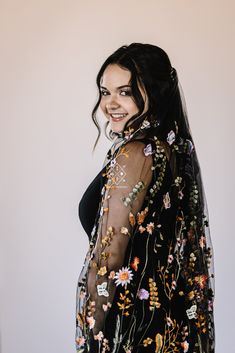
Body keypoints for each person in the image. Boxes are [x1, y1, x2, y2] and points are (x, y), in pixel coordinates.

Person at [75, 43, 215, 353]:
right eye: (105, 91)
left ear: (154, 92)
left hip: (128, 329)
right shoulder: (170, 150)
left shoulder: (136, 154)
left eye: (125, 92)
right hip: (161, 324)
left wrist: (91, 331)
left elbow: (109, 258)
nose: (110, 103)